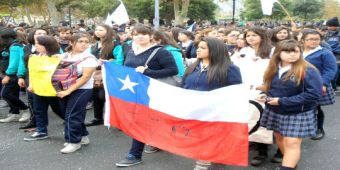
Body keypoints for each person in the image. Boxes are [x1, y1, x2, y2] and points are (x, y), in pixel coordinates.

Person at [115, 24, 178, 167]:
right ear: (132, 36)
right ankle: (160, 142)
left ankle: (134, 154)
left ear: (151, 36)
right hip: (137, 92)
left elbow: (172, 70)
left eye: (143, 33)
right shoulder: (132, 51)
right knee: (149, 120)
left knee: (141, 121)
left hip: (155, 93)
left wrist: (147, 72)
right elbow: (128, 70)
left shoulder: (160, 52)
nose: (139, 36)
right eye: (136, 34)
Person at [257, 39, 323, 170]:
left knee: (291, 142)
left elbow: (314, 94)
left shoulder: (308, 70)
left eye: (295, 51)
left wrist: (282, 101)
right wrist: (265, 93)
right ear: (278, 53)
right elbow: (273, 87)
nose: (292, 54)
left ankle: (287, 166)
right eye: (287, 51)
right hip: (275, 110)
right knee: (280, 139)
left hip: (298, 112)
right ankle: (290, 163)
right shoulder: (273, 67)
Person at [181, 37, 242, 170]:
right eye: (198, 47)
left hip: (216, 115)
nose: (198, 50)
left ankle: (205, 165)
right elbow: (184, 86)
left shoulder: (230, 69)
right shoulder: (192, 67)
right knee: (200, 141)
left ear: (215, 50)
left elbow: (235, 92)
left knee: (214, 144)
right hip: (195, 113)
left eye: (203, 48)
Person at [56, 32, 97, 153]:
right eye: (81, 41)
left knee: (72, 115)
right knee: (70, 114)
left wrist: (68, 91)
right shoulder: (64, 56)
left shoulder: (90, 58)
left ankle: (73, 142)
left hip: (82, 90)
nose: (84, 44)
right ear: (72, 43)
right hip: (64, 89)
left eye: (86, 42)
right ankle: (83, 136)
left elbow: (85, 78)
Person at [23, 36, 64, 141]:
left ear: (47, 45)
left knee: (59, 110)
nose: (36, 45)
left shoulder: (58, 57)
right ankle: (41, 131)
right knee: (39, 110)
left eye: (39, 43)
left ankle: (74, 126)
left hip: (53, 90)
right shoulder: (33, 57)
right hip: (38, 89)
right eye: (35, 43)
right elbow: (32, 73)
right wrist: (31, 85)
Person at [301, 29, 337, 140]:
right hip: (299, 84)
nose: (314, 41)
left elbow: (330, 70)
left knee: (316, 107)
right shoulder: (298, 51)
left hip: (317, 85)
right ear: (303, 40)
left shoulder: (325, 52)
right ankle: (303, 128)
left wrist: (324, 83)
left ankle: (319, 128)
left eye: (317, 39)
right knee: (301, 107)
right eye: (310, 39)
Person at [85, 24, 124, 127]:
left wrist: (107, 62)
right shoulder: (94, 45)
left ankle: (118, 119)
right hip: (96, 74)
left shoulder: (115, 45)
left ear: (108, 31)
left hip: (109, 74)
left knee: (105, 96)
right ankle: (98, 118)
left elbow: (119, 61)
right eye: (96, 29)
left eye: (101, 30)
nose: (98, 31)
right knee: (95, 95)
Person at [0, 28, 30, 123]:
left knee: (6, 94)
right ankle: (14, 113)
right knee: (12, 94)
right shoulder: (8, 46)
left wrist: (8, 75)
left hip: (13, 75)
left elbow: (15, 63)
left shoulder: (15, 47)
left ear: (6, 38)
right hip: (9, 74)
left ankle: (25, 109)